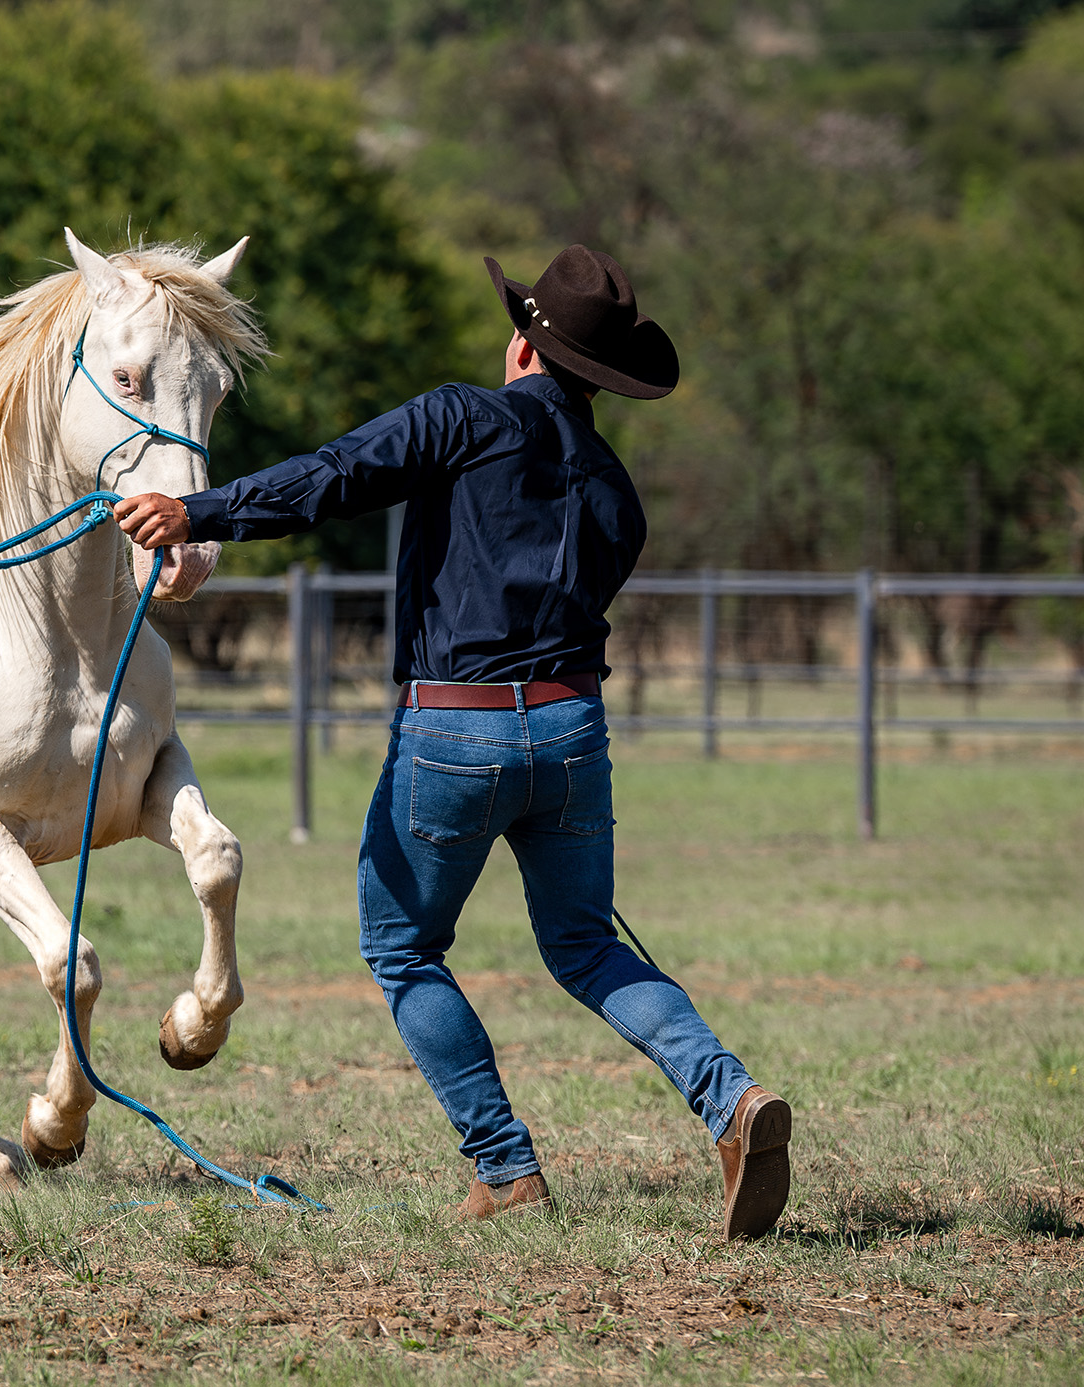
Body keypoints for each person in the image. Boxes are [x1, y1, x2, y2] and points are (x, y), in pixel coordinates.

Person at [114, 246, 791, 1238]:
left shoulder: (460, 417)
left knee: (400, 945)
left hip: (453, 729)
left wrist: (192, 511)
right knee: (585, 943)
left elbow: (330, 477)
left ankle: (505, 1169)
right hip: (570, 730)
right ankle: (728, 1098)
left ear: (521, 344)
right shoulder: (615, 492)